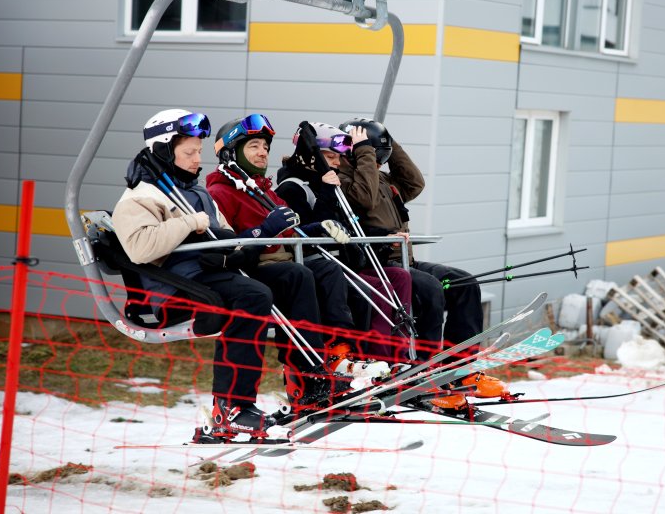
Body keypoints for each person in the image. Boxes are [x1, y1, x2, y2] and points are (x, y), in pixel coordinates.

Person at [112, 108, 295, 443]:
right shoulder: (139, 198)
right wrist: (189, 223)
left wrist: (249, 240)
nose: (198, 159)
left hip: (206, 277)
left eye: (199, 151)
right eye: (189, 152)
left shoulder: (195, 192)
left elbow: (223, 233)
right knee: (252, 295)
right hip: (176, 291)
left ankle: (305, 378)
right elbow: (139, 249)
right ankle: (233, 407)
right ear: (164, 150)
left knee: (284, 280)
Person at [204, 114, 390, 389]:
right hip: (254, 268)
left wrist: (318, 227)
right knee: (297, 275)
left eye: (265, 147)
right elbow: (228, 246)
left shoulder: (262, 190)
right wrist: (265, 230)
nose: (262, 153)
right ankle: (306, 369)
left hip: (283, 260)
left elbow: (293, 230)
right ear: (231, 152)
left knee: (329, 270)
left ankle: (340, 351)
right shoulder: (220, 192)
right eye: (253, 146)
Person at [335, 118, 507, 404]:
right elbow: (363, 199)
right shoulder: (346, 182)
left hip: (406, 262)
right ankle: (424, 371)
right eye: (371, 151)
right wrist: (364, 149)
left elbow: (415, 183)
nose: (376, 158)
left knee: (464, 282)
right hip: (377, 266)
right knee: (429, 290)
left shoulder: (384, 181)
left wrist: (391, 143)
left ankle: (458, 368)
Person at [275, 121, 414, 362]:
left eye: (339, 158)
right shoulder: (292, 188)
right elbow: (308, 230)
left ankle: (399, 357)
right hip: (318, 262)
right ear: (311, 156)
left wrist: (383, 236)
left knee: (400, 276)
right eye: (331, 157)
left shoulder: (329, 185)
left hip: (343, 260)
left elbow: (347, 225)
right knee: (377, 288)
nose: (338, 164)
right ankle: (375, 360)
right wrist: (328, 193)